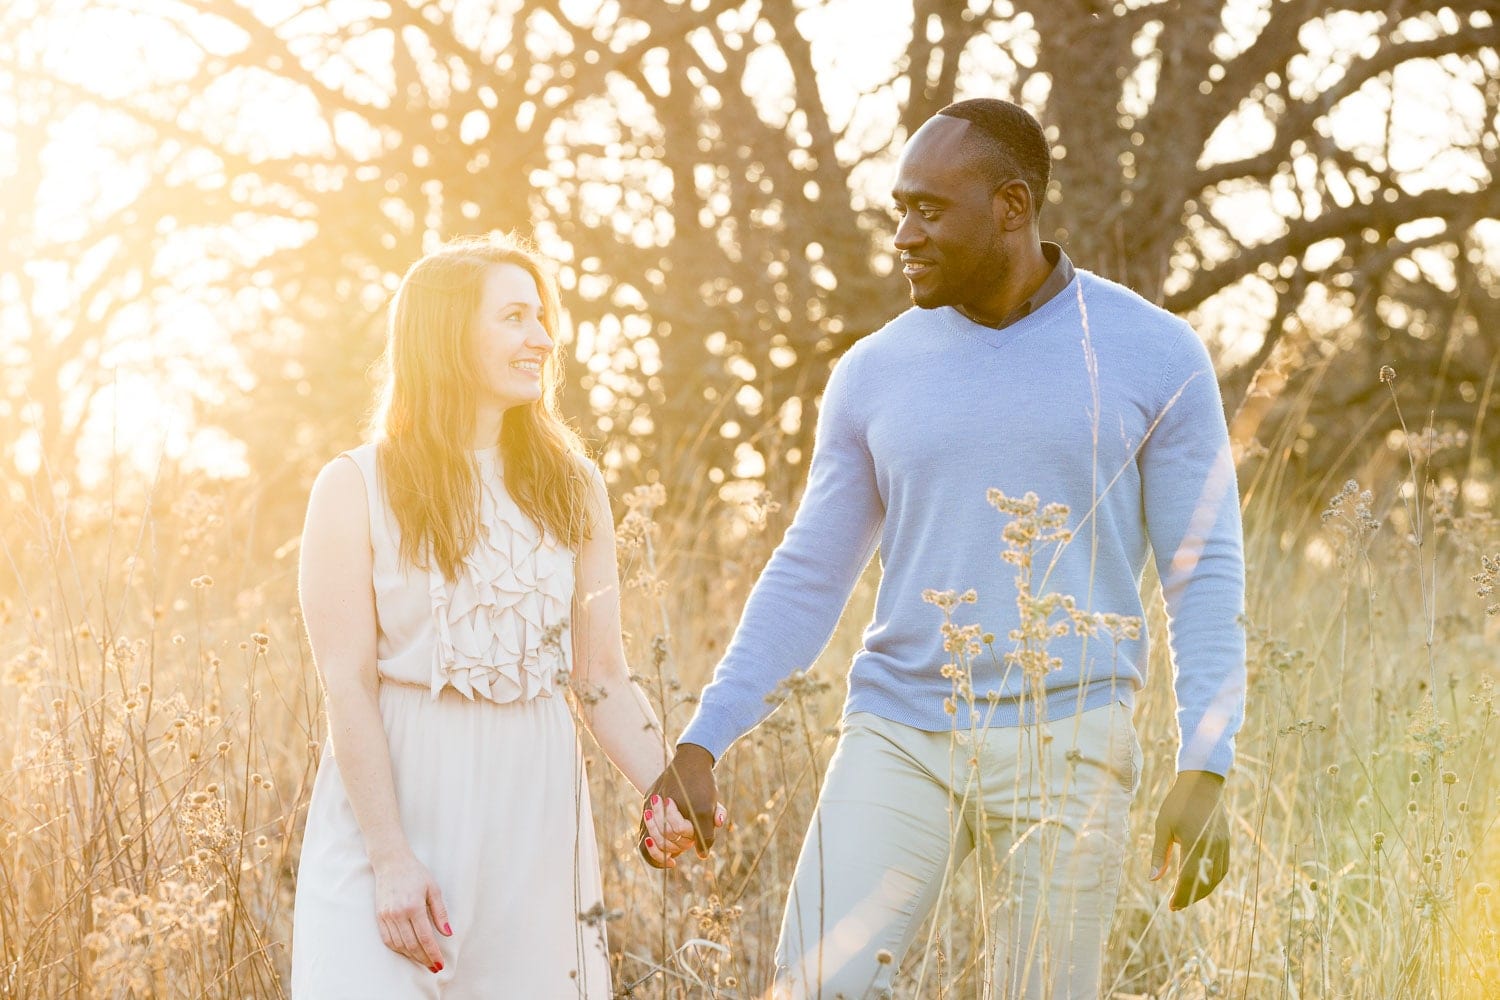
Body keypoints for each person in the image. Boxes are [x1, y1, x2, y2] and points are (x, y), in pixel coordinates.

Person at [644, 98, 1247, 998]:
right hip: (901, 729)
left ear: (1012, 207)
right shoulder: (872, 372)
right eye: (899, 207)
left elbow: (1203, 571)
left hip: (1072, 737)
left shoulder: (1156, 353)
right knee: (818, 983)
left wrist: (1205, 760)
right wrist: (705, 739)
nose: (902, 235)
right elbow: (811, 569)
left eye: (928, 209)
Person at [291, 234, 710, 998]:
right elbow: (345, 685)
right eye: (515, 317)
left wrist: (667, 786)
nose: (543, 339)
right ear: (447, 335)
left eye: (542, 317)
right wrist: (389, 858)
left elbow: (602, 676)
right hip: (395, 804)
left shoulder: (573, 486)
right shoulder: (353, 486)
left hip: (534, 810)